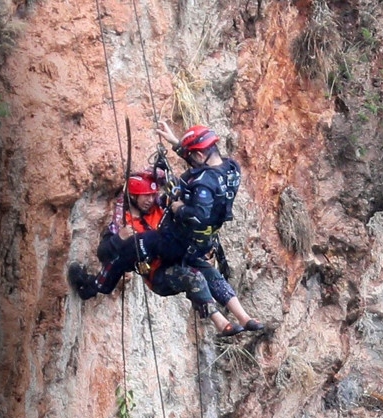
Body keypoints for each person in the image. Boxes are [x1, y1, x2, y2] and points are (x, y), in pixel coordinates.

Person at [70, 123, 264, 335]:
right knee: (136, 257)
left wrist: (176, 203)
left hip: (176, 252)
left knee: (208, 272)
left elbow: (177, 188)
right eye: (145, 196)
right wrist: (119, 239)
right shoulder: (123, 221)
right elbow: (106, 253)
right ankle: (94, 287)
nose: (150, 200)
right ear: (132, 197)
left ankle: (243, 317)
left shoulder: (161, 205)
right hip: (159, 273)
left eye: (152, 195)